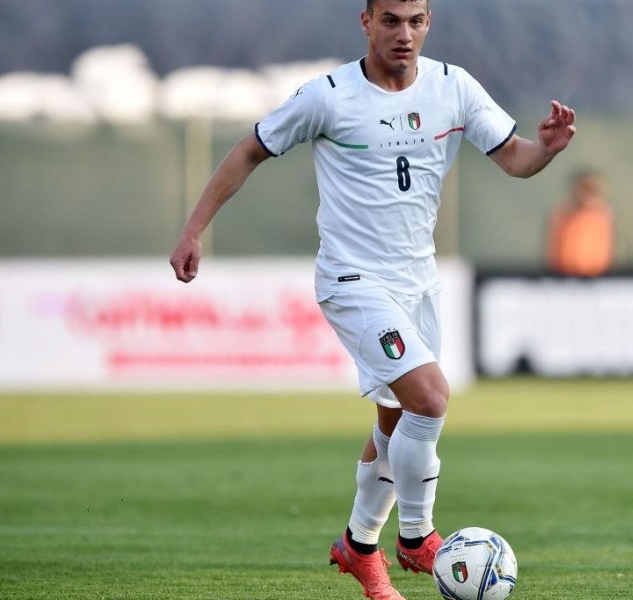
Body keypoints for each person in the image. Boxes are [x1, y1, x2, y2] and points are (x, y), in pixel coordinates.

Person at [169, 1, 576, 598]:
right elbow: (249, 150)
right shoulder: (328, 96)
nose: (403, 33)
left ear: (428, 22)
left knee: (396, 419)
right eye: (390, 20)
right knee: (431, 398)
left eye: (415, 20)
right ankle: (416, 535)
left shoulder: (453, 87)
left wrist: (547, 148)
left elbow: (513, 158)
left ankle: (360, 548)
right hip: (353, 282)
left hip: (419, 282)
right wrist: (193, 228)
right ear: (366, 23)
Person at [546, 168, 613, 276]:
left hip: (594, 278)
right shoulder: (563, 215)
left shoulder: (601, 218)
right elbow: (554, 252)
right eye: (585, 189)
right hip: (564, 277)